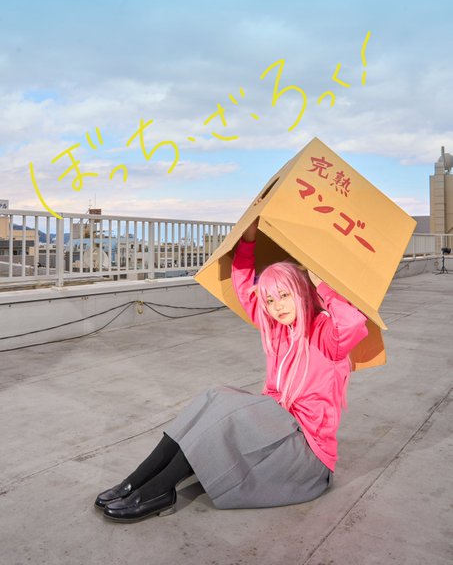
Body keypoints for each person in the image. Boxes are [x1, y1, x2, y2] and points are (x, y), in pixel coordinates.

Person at [94, 218, 368, 522]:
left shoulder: (326, 334)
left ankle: (158, 489)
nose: (277, 306)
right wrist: (248, 242)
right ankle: (137, 480)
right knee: (214, 397)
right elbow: (244, 289)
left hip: (305, 455)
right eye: (271, 300)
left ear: (302, 292)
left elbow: (354, 323)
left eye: (285, 296)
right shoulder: (278, 329)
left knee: (227, 414)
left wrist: (322, 284)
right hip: (277, 427)